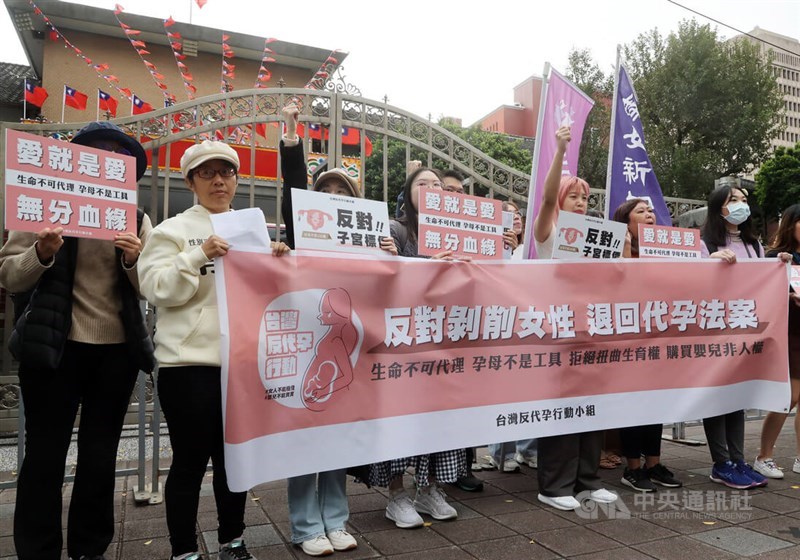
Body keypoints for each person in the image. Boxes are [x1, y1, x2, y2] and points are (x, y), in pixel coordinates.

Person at [0, 121, 155, 560]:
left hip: (116, 353)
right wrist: (42, 252)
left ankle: (90, 548)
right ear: (76, 163)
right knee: (45, 456)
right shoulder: (43, 207)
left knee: (100, 455)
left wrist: (132, 260)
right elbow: (10, 274)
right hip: (55, 349)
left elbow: (151, 288)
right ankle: (38, 549)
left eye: (118, 158)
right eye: (97, 153)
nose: (108, 161)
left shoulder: (138, 219)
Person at [138, 140, 289, 560]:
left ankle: (233, 541)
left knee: (233, 461)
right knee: (189, 460)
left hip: (240, 363)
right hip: (188, 366)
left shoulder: (252, 229)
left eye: (226, 172)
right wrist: (197, 255)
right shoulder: (171, 230)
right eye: (207, 173)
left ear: (236, 179)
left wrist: (277, 257)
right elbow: (155, 289)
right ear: (190, 181)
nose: (219, 181)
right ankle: (184, 550)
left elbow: (269, 293)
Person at [280, 103, 396, 556]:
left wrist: (390, 253)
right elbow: (292, 187)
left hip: (351, 349)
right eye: (323, 190)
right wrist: (291, 135)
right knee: (305, 434)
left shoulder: (371, 240)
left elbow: (390, 288)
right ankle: (306, 526)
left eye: (340, 192)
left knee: (337, 437)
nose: (331, 196)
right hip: (310, 343)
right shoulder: (300, 230)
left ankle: (336, 520)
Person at [368, 167, 466, 528]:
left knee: (441, 418)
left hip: (444, 341)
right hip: (403, 342)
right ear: (407, 193)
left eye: (437, 184)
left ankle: (430, 490)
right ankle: (397, 496)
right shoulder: (395, 231)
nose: (431, 189)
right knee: (399, 418)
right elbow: (382, 280)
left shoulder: (460, 236)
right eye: (422, 184)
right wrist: (423, 264)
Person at [531, 126, 618, 511]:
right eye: (574, 196)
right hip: (559, 330)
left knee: (592, 406)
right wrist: (560, 152)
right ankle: (554, 486)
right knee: (563, 408)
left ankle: (588, 479)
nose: (581, 202)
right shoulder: (548, 232)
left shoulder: (601, 235)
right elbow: (548, 197)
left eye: (585, 197)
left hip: (594, 330)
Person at [699, 185, 769, 490]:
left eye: (744, 201)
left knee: (737, 397)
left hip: (744, 332)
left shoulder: (755, 246)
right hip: (714, 333)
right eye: (733, 201)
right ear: (718, 208)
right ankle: (721, 463)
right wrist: (711, 260)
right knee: (717, 397)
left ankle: (739, 461)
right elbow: (691, 284)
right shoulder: (704, 244)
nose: (741, 206)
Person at [612, 199, 683, 492]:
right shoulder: (613, 251)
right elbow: (618, 286)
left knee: (656, 402)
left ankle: (654, 464)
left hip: (659, 338)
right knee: (633, 403)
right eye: (640, 212)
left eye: (651, 211)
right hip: (627, 340)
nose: (649, 216)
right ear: (625, 222)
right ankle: (632, 468)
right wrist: (626, 251)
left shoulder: (669, 252)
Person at [753, 204, 800, 479]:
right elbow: (764, 295)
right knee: (790, 397)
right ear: (790, 225)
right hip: (790, 334)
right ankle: (764, 455)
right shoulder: (777, 257)